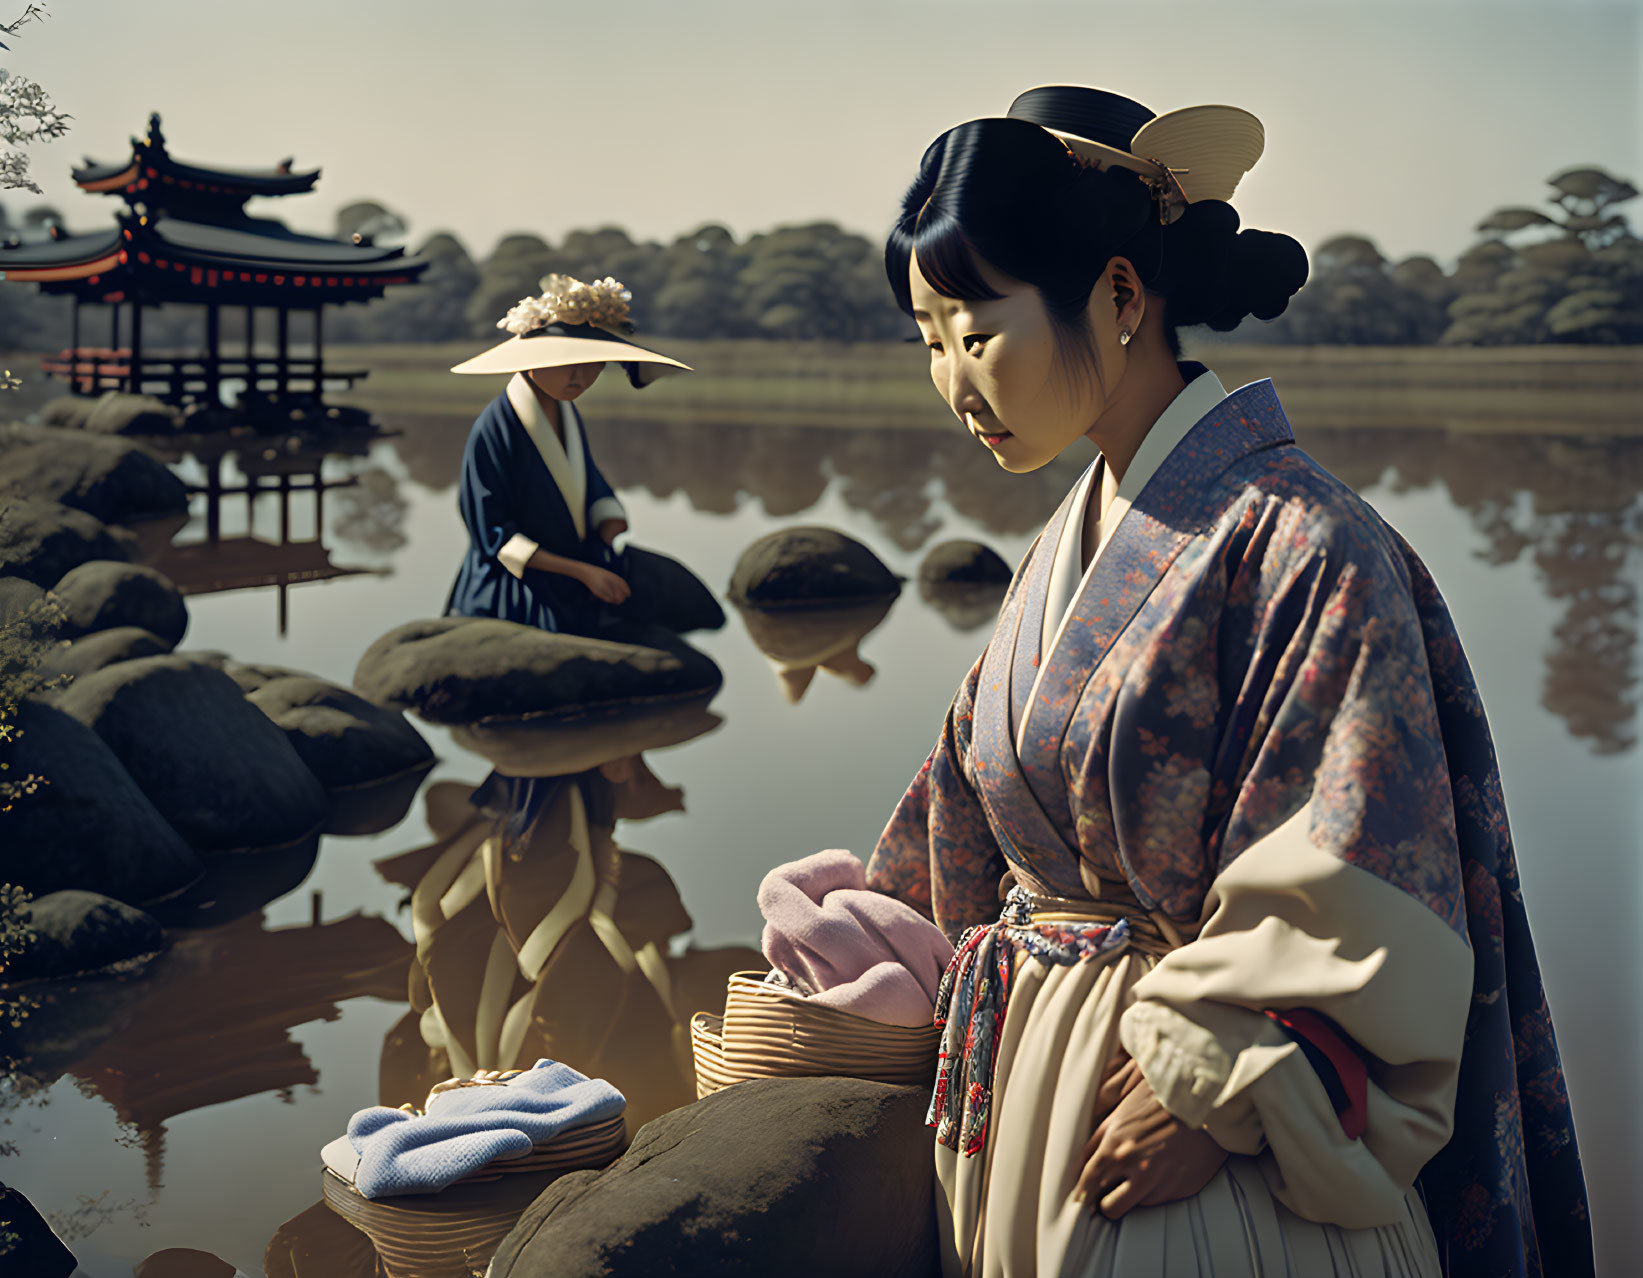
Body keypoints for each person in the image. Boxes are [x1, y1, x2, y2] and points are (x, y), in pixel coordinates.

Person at [864, 87, 1593, 1278]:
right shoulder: (1067, 544)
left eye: (977, 331)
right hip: (1035, 1088)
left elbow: (1365, 861)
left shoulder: (1305, 541)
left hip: (1215, 1137)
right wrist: (857, 942)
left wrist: (1218, 1074)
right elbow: (960, 810)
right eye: (928, 339)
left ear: (1115, 294)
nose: (952, 381)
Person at [442, 273, 691, 833]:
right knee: (571, 666)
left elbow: (589, 483)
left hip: (574, 560)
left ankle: (615, 763)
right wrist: (579, 569)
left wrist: (607, 518)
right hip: (518, 580)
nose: (582, 376)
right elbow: (491, 531)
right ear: (530, 359)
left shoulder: (564, 412)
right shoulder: (494, 429)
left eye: (592, 364)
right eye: (569, 363)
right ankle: (555, 777)